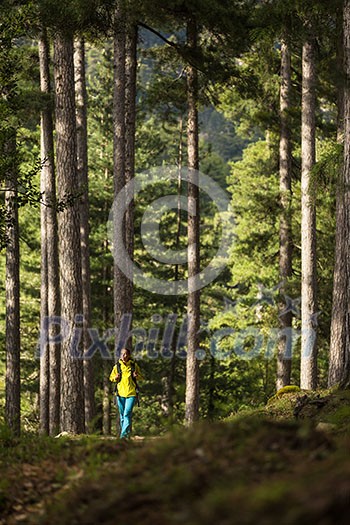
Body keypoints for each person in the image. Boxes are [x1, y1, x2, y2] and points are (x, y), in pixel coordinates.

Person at [109, 348, 143, 439]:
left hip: (131, 393)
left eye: (126, 354)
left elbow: (141, 377)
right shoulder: (117, 366)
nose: (124, 356)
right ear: (120, 355)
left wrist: (137, 376)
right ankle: (127, 436)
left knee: (127, 413)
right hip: (120, 394)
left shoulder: (133, 365)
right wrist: (115, 377)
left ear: (129, 355)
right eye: (122, 354)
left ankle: (123, 436)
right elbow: (111, 378)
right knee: (122, 416)